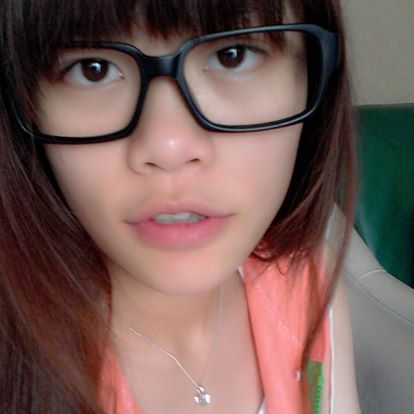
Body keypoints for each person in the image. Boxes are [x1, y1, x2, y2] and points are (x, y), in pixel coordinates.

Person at [0, 0, 360, 413]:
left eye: (232, 55)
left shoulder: (304, 283)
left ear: (315, 71)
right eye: (92, 69)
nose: (169, 146)